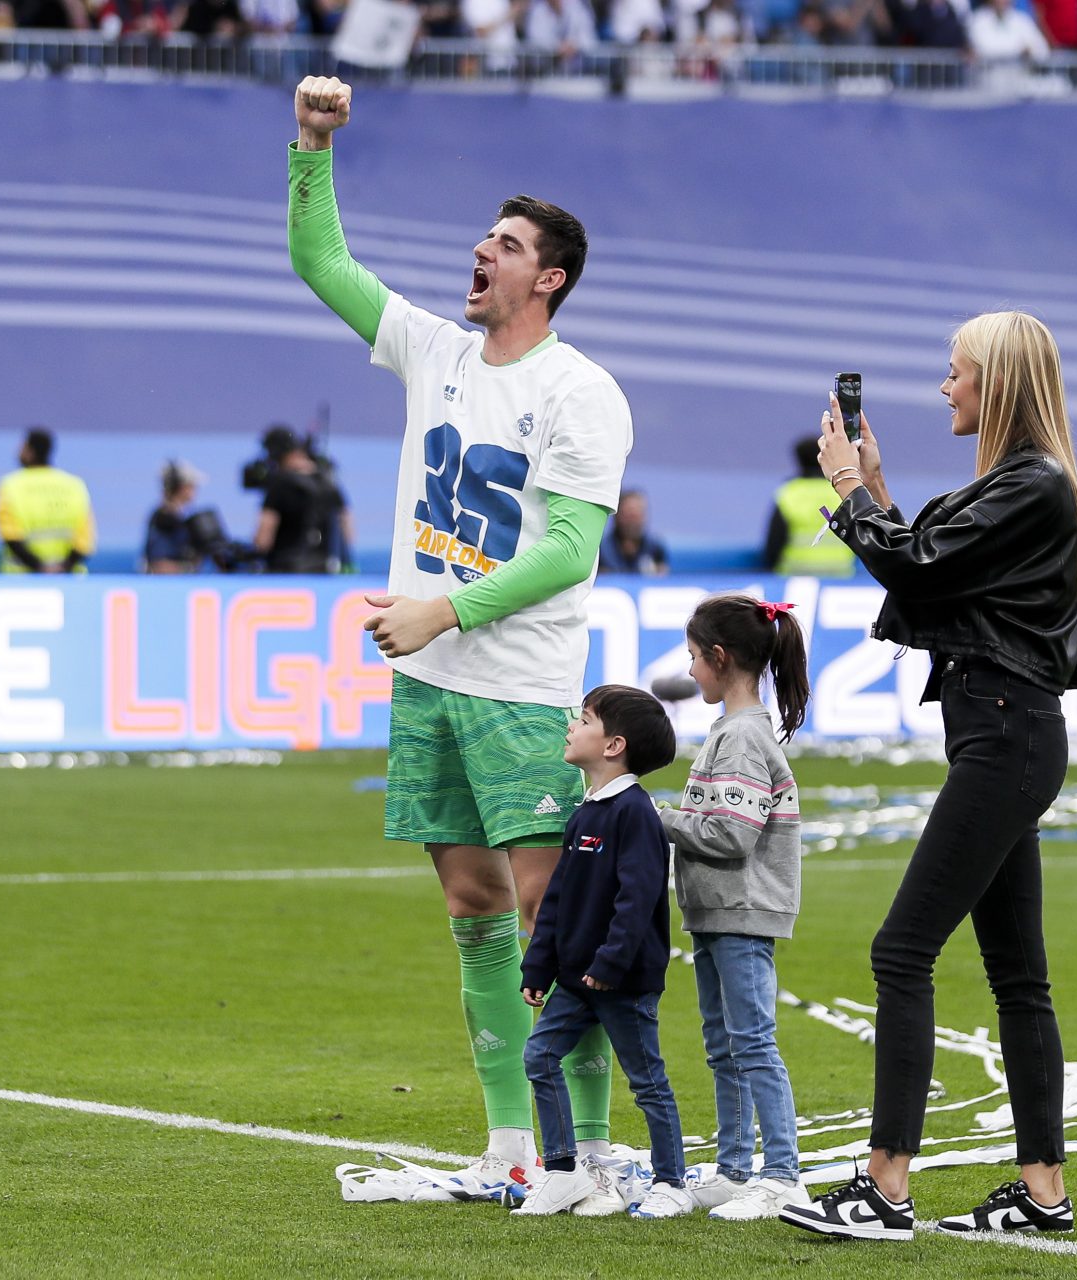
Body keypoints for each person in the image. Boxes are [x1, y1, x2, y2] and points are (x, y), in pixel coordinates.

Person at [288, 77, 634, 1204]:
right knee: (474, 912)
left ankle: (583, 1148)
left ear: (551, 278)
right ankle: (508, 1144)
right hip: (428, 685)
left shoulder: (580, 393)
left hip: (523, 690)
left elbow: (570, 549)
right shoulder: (432, 349)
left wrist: (444, 605)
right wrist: (313, 147)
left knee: (552, 917)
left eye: (508, 242)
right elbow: (322, 265)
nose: (482, 250)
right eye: (484, 235)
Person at [777, 312, 1077, 1241]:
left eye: (955, 373)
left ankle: (886, 1188)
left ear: (995, 383)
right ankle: (1041, 1193)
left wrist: (846, 489)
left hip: (1005, 736)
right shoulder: (1020, 484)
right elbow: (926, 569)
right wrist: (873, 491)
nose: (944, 388)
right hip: (1004, 735)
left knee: (901, 950)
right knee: (1017, 976)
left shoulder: (1031, 484)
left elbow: (914, 566)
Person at [660, 594, 812, 1223]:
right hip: (717, 912)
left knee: (752, 1043)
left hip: (744, 912)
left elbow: (731, 835)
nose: (691, 669)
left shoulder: (744, 738)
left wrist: (654, 816)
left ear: (721, 658)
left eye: (695, 657)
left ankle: (782, 1174)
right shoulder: (733, 731)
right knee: (723, 1045)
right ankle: (732, 1170)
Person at [516, 686, 691, 1219]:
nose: (572, 725)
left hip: (621, 981)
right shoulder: (584, 813)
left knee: (648, 1082)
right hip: (572, 979)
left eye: (585, 718)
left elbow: (638, 898)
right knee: (539, 1056)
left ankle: (671, 1182)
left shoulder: (634, 813)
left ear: (613, 744)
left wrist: (610, 963)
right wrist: (539, 964)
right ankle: (564, 1172)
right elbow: (559, 900)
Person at [0, 427, 95, 575]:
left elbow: (9, 535)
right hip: (69, 580)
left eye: (22, 448)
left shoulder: (10, 486)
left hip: (21, 580)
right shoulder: (74, 485)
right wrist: (64, 567)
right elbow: (85, 540)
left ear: (30, 452)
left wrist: (40, 567)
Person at [253, 433, 351, 574]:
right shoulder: (329, 483)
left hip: (285, 572)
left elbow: (264, 539)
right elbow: (347, 531)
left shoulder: (279, 484)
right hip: (324, 569)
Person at [762, 438, 854, 577]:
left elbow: (774, 542)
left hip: (794, 574)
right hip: (840, 573)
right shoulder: (842, 491)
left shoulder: (788, 493)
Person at [597, 489, 669, 575]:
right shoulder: (601, 549)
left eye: (637, 515)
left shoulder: (655, 548)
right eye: (628, 515)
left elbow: (662, 578)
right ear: (617, 516)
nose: (632, 522)